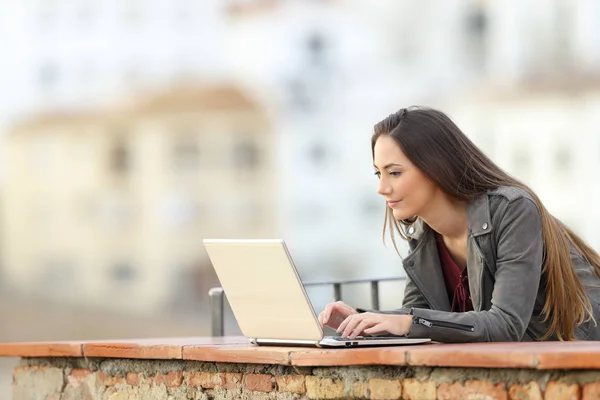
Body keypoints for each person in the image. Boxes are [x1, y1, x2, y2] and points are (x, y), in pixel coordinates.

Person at [318, 106, 600, 342]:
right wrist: (363, 320)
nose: (381, 188)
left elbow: (506, 325)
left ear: (435, 167)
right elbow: (419, 318)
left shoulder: (513, 210)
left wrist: (409, 322)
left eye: (394, 173)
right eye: (378, 173)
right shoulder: (424, 235)